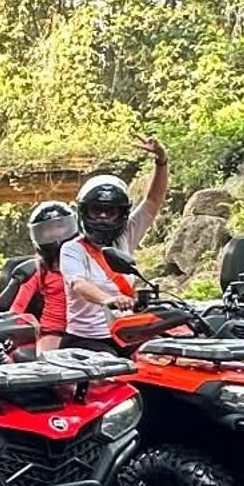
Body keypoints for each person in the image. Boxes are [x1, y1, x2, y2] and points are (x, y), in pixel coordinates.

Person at [58, 136, 171, 351]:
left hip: (126, 333)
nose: (102, 216)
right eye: (96, 210)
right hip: (88, 340)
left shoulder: (124, 237)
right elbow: (79, 284)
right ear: (84, 212)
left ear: (120, 214)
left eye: (109, 211)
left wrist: (161, 160)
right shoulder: (72, 249)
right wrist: (108, 299)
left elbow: (153, 202)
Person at [8, 200, 80, 352]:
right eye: (48, 230)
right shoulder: (39, 269)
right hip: (52, 332)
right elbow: (17, 308)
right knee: (48, 364)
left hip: (86, 332)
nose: (55, 234)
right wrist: (27, 320)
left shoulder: (87, 262)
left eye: (60, 227)